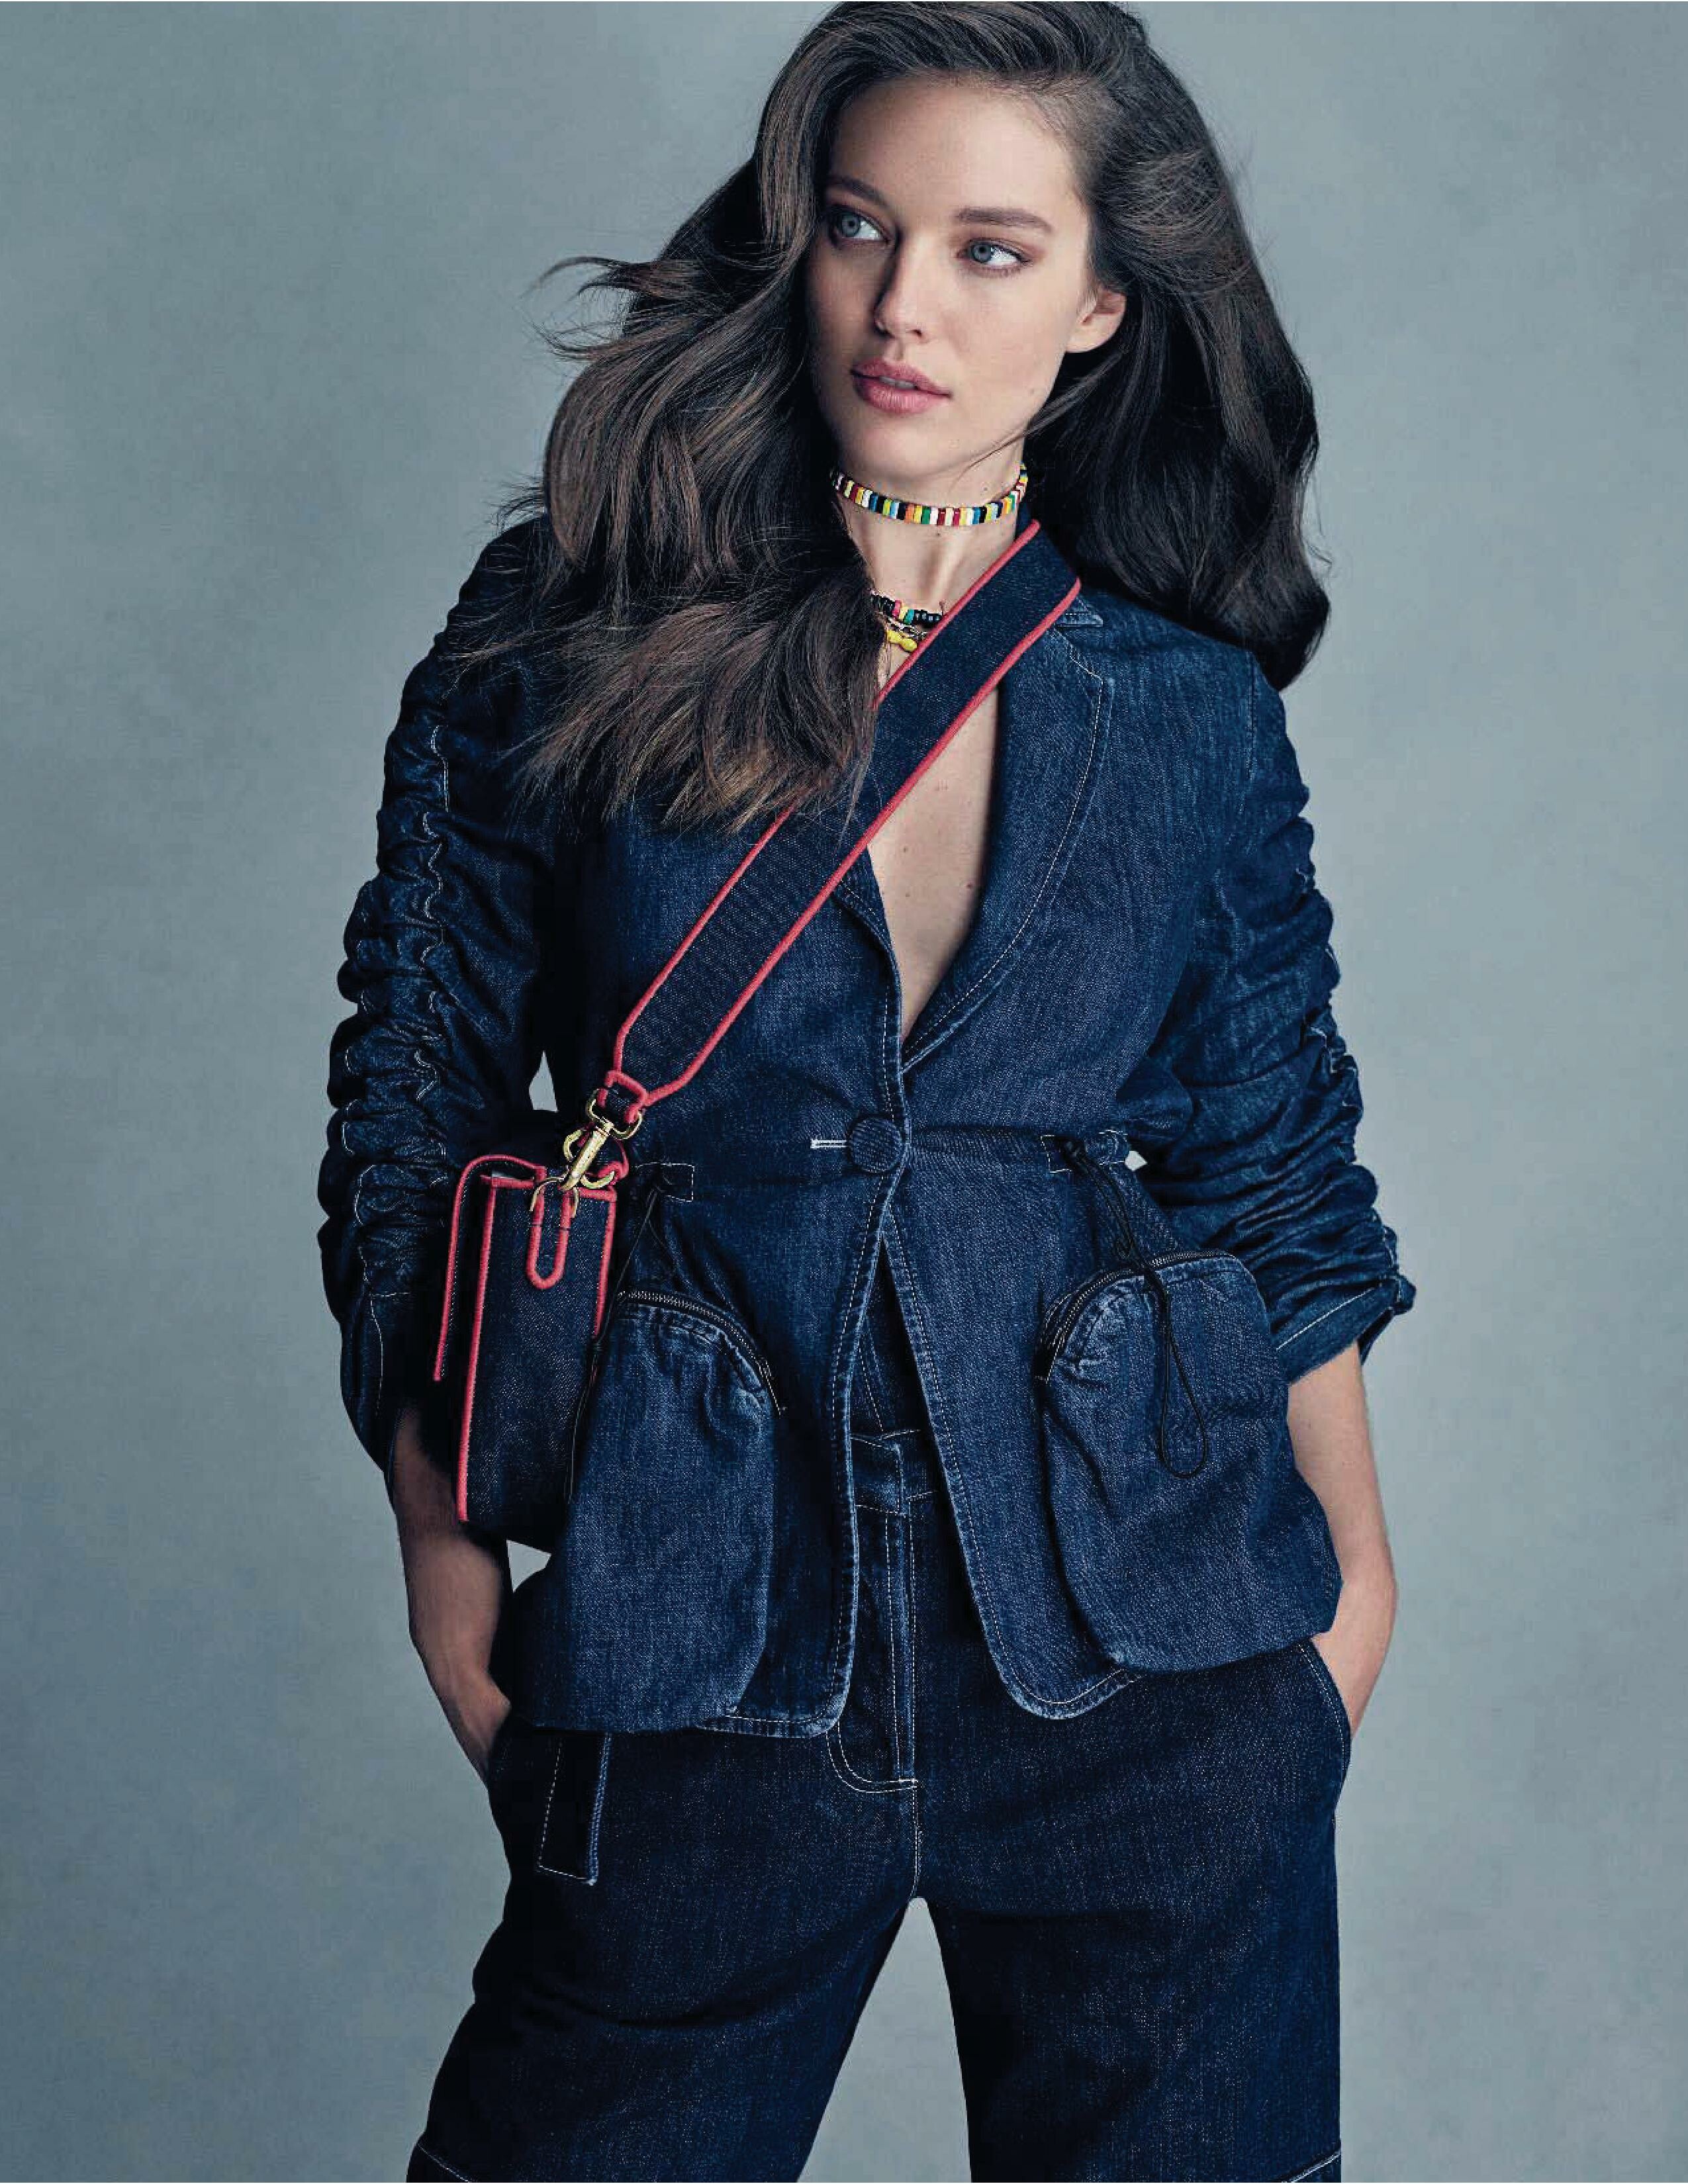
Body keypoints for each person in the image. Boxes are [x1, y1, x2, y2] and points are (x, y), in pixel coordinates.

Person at [316, 6, 1417, 2177]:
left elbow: (1275, 1160)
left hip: (1150, 1654)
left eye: (991, 249)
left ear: (1103, 303)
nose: (905, 303)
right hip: (692, 1622)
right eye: (858, 227)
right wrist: (447, 1550)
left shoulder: (1183, 702)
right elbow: (419, 1084)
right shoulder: (575, 620)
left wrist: (1347, 1617)